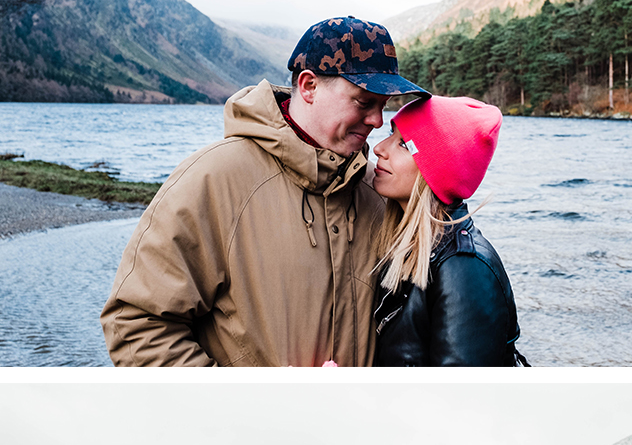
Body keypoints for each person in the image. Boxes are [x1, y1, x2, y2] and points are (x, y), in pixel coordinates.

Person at [100, 19, 427, 369]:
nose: (378, 121)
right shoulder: (213, 179)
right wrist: (247, 404)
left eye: (383, 105)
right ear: (309, 86)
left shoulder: (376, 189)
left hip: (354, 422)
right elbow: (136, 325)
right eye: (363, 102)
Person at [370, 94, 523, 367]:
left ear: (435, 170)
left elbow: (462, 399)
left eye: (404, 144)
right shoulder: (413, 246)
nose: (379, 148)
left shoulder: (463, 267)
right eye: (390, 135)